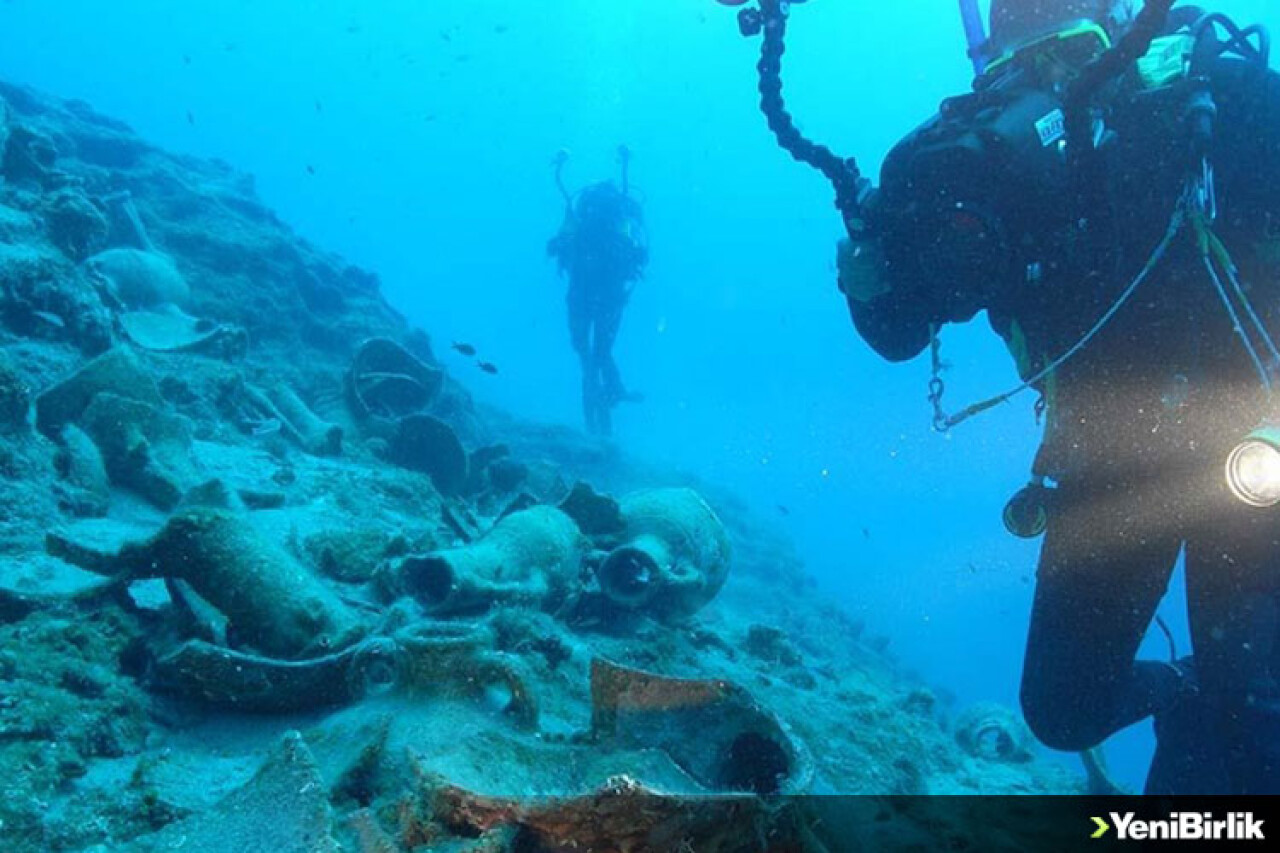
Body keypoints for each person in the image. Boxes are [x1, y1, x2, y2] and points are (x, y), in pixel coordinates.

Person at [734, 0, 1280, 792]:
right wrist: (867, 266)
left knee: (1250, 714)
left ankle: (1213, 722)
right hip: (1105, 462)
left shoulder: (1205, 95)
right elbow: (898, 327)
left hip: (1251, 446)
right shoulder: (968, 156)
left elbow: (893, 331)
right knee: (1066, 708)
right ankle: (1193, 694)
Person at [547, 148, 648, 436]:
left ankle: (599, 411)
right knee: (602, 351)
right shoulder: (622, 217)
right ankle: (610, 400)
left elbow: (557, 246)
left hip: (579, 294)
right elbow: (640, 256)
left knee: (585, 354)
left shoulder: (580, 217)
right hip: (611, 297)